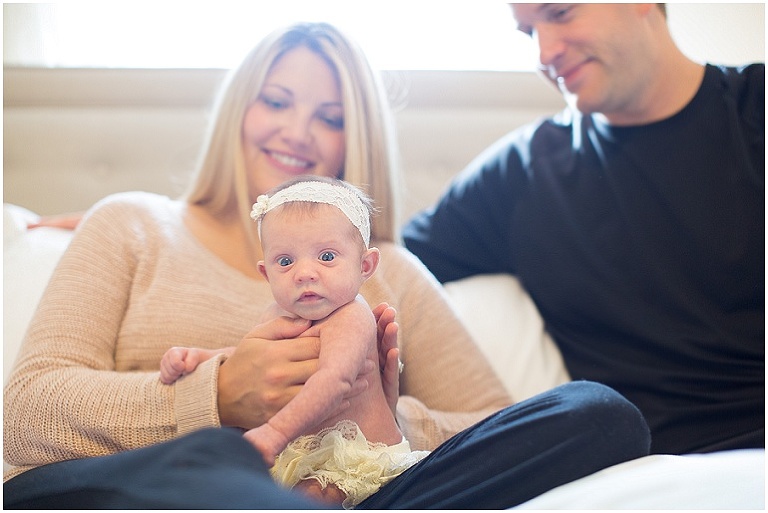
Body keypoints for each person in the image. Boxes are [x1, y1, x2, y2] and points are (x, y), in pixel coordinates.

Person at [4, 21, 650, 509]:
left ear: (355, 138)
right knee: (217, 463)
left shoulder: (387, 270)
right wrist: (220, 396)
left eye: (330, 117)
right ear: (240, 110)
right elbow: (27, 415)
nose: (298, 133)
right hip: (174, 481)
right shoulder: (132, 224)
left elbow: (496, 424)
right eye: (277, 101)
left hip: (350, 492)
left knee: (598, 413)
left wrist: (373, 414)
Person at [403, 4, 764, 455]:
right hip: (639, 467)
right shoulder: (523, 173)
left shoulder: (755, 110)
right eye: (528, 32)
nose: (545, 52)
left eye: (560, 13)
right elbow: (388, 263)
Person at [160, 176, 430, 508]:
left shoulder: (351, 316)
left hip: (356, 457)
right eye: (286, 262)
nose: (304, 273)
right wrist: (202, 358)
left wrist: (274, 432)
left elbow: (335, 379)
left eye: (327, 257)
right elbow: (252, 360)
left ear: (365, 266)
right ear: (266, 273)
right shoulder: (276, 315)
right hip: (302, 457)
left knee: (309, 498)